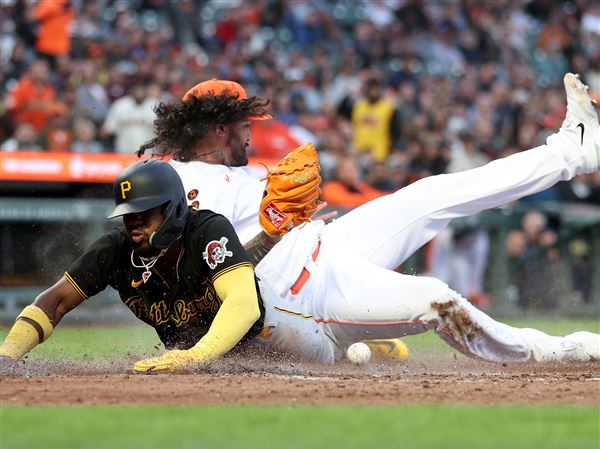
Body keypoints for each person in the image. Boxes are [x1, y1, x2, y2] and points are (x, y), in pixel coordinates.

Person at [131, 74, 600, 367]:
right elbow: (211, 275)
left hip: (327, 245)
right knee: (437, 299)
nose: (252, 133)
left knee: (431, 193)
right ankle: (554, 352)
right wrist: (273, 232)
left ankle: (572, 151)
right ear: (218, 128)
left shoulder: (236, 170)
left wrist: (293, 226)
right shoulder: (183, 185)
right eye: (244, 125)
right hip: (307, 297)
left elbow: (268, 223)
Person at [0, 159, 264, 372]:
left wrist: (195, 356)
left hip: (269, 337)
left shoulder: (206, 230)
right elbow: (54, 302)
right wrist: (6, 356)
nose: (134, 222)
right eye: (128, 214)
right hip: (201, 356)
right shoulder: (117, 248)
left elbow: (244, 304)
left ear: (173, 209)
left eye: (145, 212)